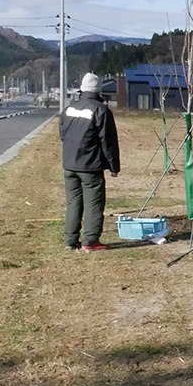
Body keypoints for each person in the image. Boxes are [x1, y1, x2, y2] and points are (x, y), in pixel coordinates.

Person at [59, 72, 120, 252]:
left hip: (69, 164)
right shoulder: (101, 110)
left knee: (73, 203)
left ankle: (70, 240)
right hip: (90, 166)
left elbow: (62, 134)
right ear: (98, 90)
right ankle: (90, 241)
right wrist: (114, 166)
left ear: (82, 89)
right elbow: (108, 142)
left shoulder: (69, 109)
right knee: (93, 203)